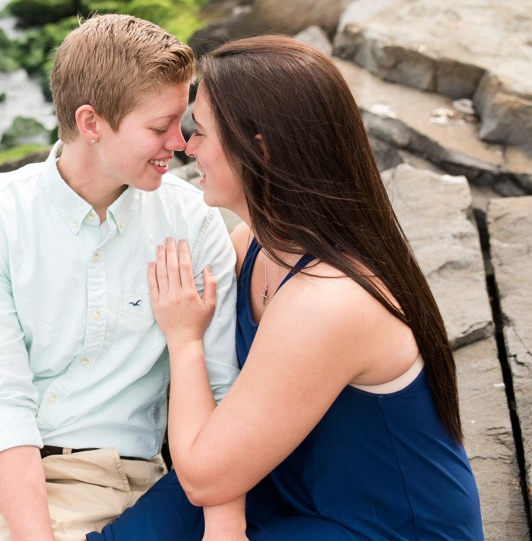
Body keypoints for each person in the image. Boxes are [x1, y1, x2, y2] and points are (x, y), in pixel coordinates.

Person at [88, 35, 483, 540]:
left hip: (381, 527)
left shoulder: (329, 299)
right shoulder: (254, 244)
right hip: (283, 485)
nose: (186, 146)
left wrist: (185, 341)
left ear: (262, 151)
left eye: (200, 132)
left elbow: (207, 477)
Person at [0, 14, 246, 541]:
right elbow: (0, 397)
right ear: (91, 123)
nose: (181, 143)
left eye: (182, 123)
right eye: (159, 127)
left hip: (99, 472)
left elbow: (219, 389)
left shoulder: (193, 225)